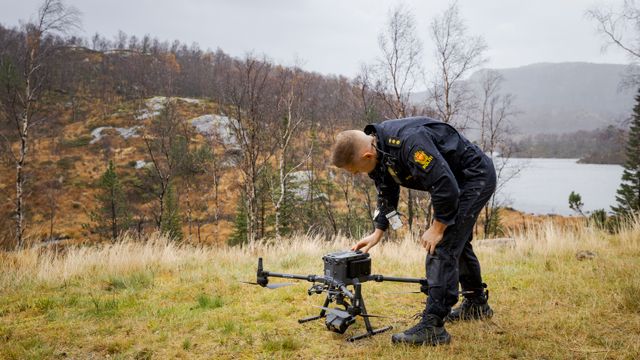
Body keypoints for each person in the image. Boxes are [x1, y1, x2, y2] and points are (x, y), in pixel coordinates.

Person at [331, 116, 496, 346]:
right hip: (452, 181)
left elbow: (445, 186)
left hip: (473, 177)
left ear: (367, 156)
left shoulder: (410, 143)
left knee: (443, 243)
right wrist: (378, 231)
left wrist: (438, 227)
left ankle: (433, 326)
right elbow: (386, 190)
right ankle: (476, 303)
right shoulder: (381, 149)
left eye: (356, 170)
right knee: (457, 240)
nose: (358, 174)